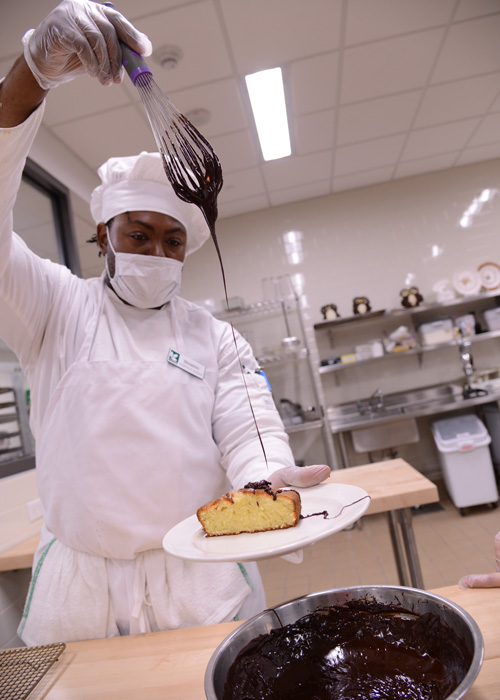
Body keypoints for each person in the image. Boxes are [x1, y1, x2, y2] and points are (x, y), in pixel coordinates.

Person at [0, 1, 330, 645]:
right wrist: (29, 78)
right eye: (139, 235)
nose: (155, 254)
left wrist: (266, 478)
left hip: (199, 579)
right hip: (80, 589)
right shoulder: (51, 307)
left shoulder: (214, 337)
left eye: (172, 242)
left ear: (188, 250)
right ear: (104, 233)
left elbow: (249, 427)